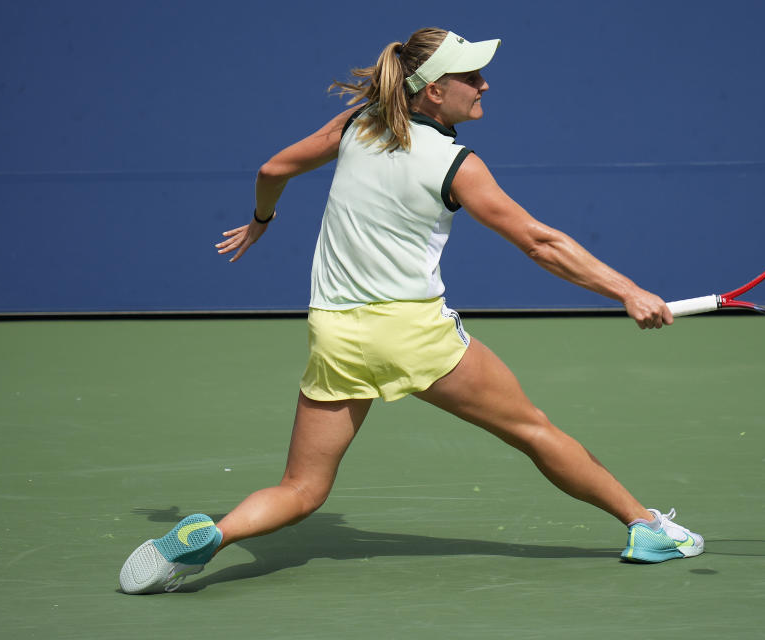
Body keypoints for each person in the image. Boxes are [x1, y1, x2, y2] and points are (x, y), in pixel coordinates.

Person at [118, 27, 703, 595]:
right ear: (433, 91)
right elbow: (539, 242)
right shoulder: (455, 162)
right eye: (470, 76)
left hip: (335, 334)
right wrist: (627, 290)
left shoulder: (354, 126)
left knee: (300, 489)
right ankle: (647, 529)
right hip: (412, 333)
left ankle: (213, 533)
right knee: (533, 429)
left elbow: (273, 170)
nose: (484, 85)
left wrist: (260, 222)